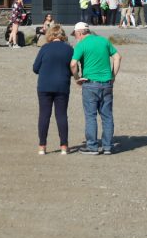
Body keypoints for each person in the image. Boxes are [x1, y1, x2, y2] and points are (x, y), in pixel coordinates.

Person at [70, 22, 121, 155]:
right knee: (107, 116)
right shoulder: (104, 41)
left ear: (80, 33)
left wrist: (77, 78)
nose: (75, 37)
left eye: (75, 35)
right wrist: (113, 75)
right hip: (106, 83)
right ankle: (108, 146)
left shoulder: (81, 44)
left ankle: (92, 146)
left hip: (90, 83)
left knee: (90, 116)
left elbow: (73, 64)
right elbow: (117, 57)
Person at [32, 24, 73, 155]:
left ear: (49, 35)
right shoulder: (69, 49)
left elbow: (35, 68)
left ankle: (42, 146)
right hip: (62, 85)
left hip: (45, 85)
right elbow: (73, 68)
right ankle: (64, 146)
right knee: (61, 115)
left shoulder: (44, 48)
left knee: (44, 115)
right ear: (62, 35)